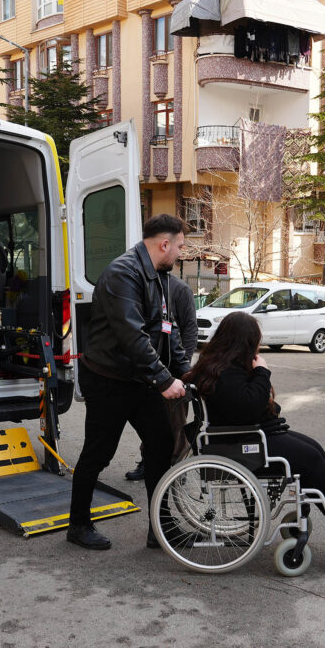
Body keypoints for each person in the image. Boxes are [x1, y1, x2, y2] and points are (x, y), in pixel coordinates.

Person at [183, 311, 325, 543]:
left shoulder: (221, 367)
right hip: (245, 443)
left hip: (250, 436)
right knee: (310, 458)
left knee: (314, 449)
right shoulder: (226, 373)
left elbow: (245, 405)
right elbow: (249, 405)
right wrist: (262, 372)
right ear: (244, 342)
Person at [67, 214, 188, 551]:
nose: (180, 253)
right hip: (109, 378)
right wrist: (164, 380)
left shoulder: (159, 275)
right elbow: (132, 336)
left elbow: (168, 329)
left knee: (161, 445)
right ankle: (78, 525)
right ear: (164, 244)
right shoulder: (123, 274)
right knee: (99, 452)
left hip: (139, 378)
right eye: (179, 246)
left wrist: (186, 373)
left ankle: (160, 528)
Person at [125, 273, 197, 480]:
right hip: (149, 369)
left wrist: (183, 368)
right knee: (152, 421)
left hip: (174, 370)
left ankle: (176, 467)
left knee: (176, 423)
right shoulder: (142, 285)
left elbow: (190, 329)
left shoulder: (179, 289)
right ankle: (149, 462)